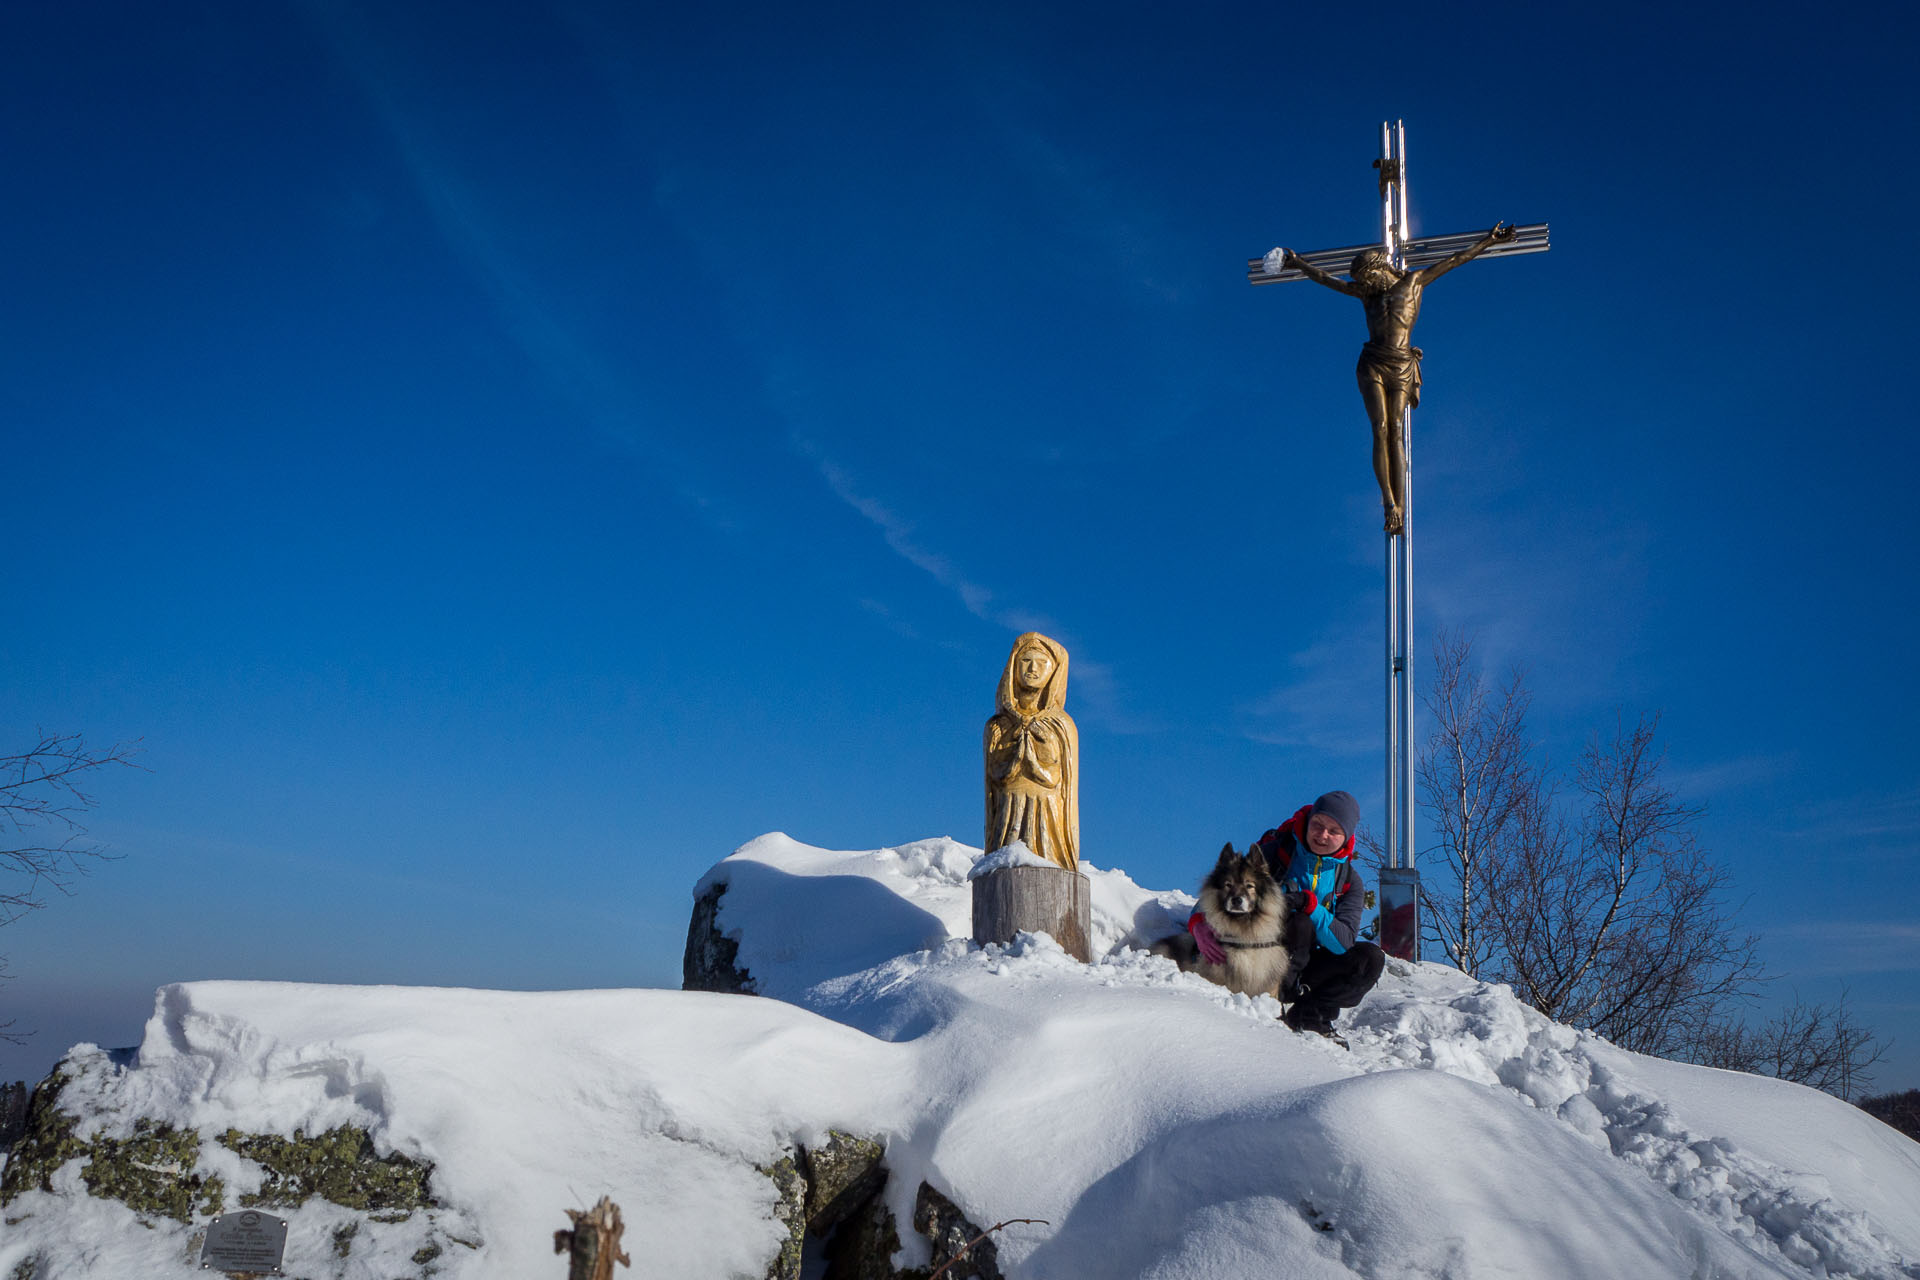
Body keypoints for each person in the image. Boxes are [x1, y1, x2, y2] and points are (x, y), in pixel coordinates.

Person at [1280, 224, 1516, 533]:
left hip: (1402, 364)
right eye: (1360, 280)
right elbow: (1327, 280)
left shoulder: (1414, 282)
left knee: (1396, 430)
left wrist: (1488, 241)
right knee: (1379, 429)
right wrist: (1298, 263)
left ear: (1378, 269)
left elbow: (1456, 259)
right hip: (1373, 362)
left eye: (1364, 276)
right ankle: (1389, 502)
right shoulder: (1367, 294)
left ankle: (1401, 505)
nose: (1361, 283)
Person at [1251, 790, 1384, 1040]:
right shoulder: (1276, 853)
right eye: (1318, 824)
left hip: (1311, 967)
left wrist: (1312, 907)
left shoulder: (1348, 880)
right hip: (1264, 959)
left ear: (1346, 837)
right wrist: (1198, 923)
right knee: (1298, 922)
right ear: (1309, 820)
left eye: (1334, 831)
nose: (1323, 835)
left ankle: (1310, 1014)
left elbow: (1343, 942)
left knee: (1369, 959)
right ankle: (1269, 1003)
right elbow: (1222, 891)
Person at [983, 632, 1080, 872]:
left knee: (1048, 868)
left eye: (1042, 663)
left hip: (1047, 811)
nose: (1032, 669)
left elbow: (1063, 781)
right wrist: (1015, 757)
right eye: (1025, 661)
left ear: (1053, 671)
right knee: (1003, 863)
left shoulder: (1060, 724)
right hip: (1008, 809)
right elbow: (992, 780)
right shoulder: (997, 725)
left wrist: (1035, 763)